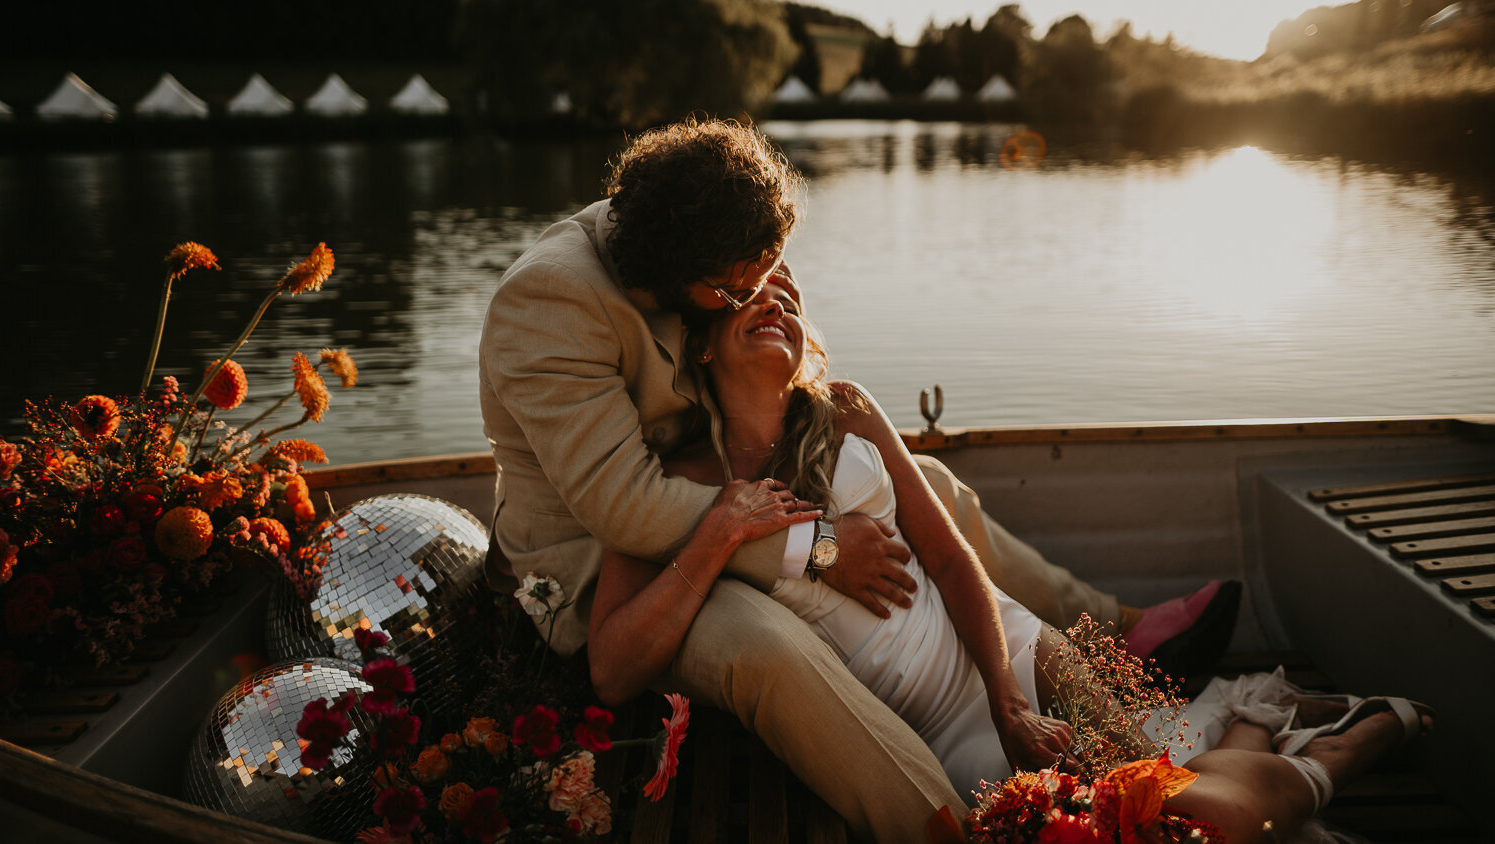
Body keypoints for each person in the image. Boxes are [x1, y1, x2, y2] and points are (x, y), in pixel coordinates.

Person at [479, 118, 1235, 839]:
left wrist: (814, 418)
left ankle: (1115, 629)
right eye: (738, 291)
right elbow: (628, 507)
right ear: (682, 280)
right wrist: (823, 549)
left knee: (924, 482)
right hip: (606, 560)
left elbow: (762, 328)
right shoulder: (549, 301)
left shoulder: (691, 222)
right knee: (764, 643)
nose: (759, 293)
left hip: (719, 471)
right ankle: (939, 826)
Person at [585, 275, 1434, 843]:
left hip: (1018, 658)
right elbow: (614, 668)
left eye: (789, 290)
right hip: (936, 740)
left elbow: (956, 567)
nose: (774, 298)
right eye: (747, 292)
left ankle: (1311, 747)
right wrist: (719, 535)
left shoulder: (844, 411)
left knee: (1175, 801)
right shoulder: (670, 482)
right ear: (697, 343)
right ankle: (1308, 748)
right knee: (1179, 816)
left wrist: (1007, 699)